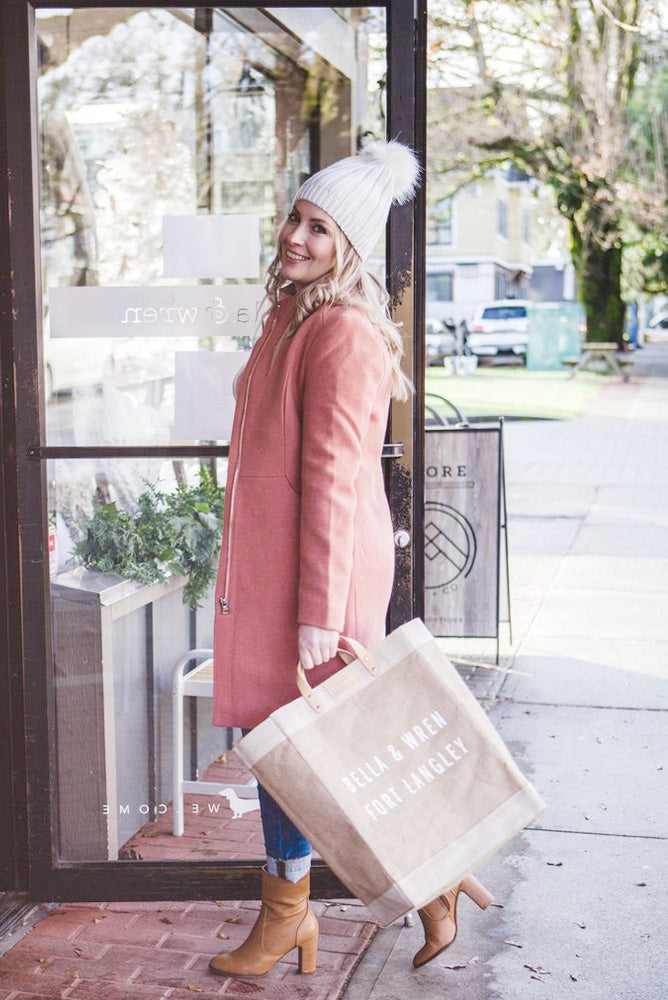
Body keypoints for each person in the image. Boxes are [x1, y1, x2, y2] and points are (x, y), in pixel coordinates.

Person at [209, 139, 492, 979]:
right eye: (296, 217)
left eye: (320, 228)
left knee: (306, 746)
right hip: (285, 570)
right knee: (294, 745)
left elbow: (334, 481)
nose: (295, 236)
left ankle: (307, 907)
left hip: (316, 577)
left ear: (350, 247)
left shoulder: (341, 332)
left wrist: (318, 615)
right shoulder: (294, 315)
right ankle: (412, 883)